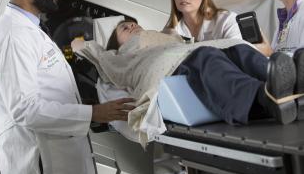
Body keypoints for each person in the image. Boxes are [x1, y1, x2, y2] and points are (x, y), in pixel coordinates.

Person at [0, 0, 135, 174]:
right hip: (42, 173)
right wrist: (93, 113)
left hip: (56, 168)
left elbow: (44, 93)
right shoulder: (14, 35)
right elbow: (25, 109)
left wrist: (87, 105)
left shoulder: (31, 30)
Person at [72, 20, 304, 140]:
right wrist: (81, 44)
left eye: (134, 23)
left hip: (182, 52)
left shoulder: (164, 37)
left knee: (237, 49)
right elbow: (89, 49)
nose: (132, 26)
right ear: (116, 43)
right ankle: (266, 97)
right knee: (205, 56)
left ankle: (294, 87)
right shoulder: (116, 57)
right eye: (124, 28)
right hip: (168, 65)